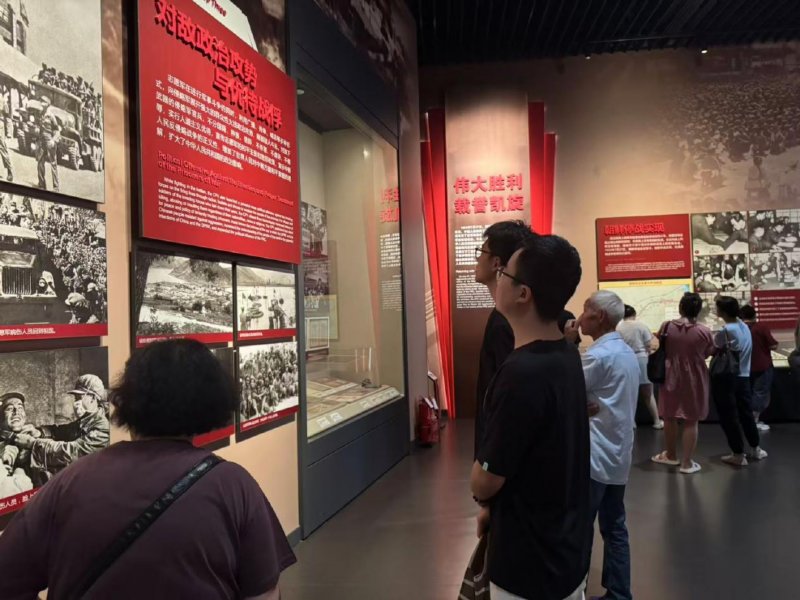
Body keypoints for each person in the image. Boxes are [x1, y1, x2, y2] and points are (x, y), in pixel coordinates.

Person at [0, 339, 296, 598]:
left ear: (127, 399)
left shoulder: (70, 481)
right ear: (211, 402)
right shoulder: (233, 485)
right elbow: (264, 592)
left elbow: (6, 579)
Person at [471, 234, 588, 600]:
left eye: (504, 272)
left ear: (523, 294)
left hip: (528, 565)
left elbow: (485, 481)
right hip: (565, 550)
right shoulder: (565, 355)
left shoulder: (521, 373)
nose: (497, 277)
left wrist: (480, 481)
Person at [566, 291, 638, 600]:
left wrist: (566, 345)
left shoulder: (597, 356)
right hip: (618, 455)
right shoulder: (626, 353)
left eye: (586, 311)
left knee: (579, 530)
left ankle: (575, 591)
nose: (580, 317)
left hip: (594, 455)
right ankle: (619, 592)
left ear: (601, 317)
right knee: (615, 526)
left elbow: (562, 389)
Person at [473, 220, 534, 457]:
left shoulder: (504, 322)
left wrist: (490, 462)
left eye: (481, 252)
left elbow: (508, 398)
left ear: (496, 262)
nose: (477, 260)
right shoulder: (511, 317)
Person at [650, 293, 715, 474]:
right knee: (691, 419)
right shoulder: (704, 331)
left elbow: (661, 345)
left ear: (680, 307)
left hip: (670, 374)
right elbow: (708, 352)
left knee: (669, 416)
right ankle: (687, 463)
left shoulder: (666, 326)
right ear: (699, 310)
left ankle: (671, 455)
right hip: (695, 377)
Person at [12, 375, 110, 485]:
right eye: (76, 398)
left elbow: (72, 452)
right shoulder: (85, 420)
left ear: (93, 398)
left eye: (79, 397)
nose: (76, 402)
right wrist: (39, 432)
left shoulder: (103, 426)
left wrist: (33, 443)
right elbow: (60, 431)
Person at [711, 296, 767, 467]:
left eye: (717, 307)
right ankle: (755, 448)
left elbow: (713, 348)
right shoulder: (743, 326)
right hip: (743, 377)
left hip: (727, 378)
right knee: (746, 414)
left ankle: (738, 453)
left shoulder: (726, 330)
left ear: (723, 311)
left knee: (729, 416)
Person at [616, 305, 663, 429]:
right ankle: (656, 421)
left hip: (626, 359)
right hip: (642, 359)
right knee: (648, 393)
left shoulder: (618, 327)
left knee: (629, 394)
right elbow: (649, 344)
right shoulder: (641, 325)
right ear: (634, 314)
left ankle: (632, 423)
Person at [740, 305, 778, 432]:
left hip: (744, 367)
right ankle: (754, 421)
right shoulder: (761, 327)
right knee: (760, 393)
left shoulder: (738, 328)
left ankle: (749, 420)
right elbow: (773, 345)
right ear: (754, 315)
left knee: (749, 393)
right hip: (762, 366)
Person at [37, 95, 60, 192]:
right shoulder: (41, 113)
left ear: (48, 104)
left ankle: (56, 187)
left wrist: (53, 140)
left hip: (50, 141)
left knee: (53, 164)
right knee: (40, 162)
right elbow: (41, 128)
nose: (41, 103)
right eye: (41, 101)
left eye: (44, 102)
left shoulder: (51, 116)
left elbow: (57, 130)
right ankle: (42, 184)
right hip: (42, 141)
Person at [0, 88, 12, 182]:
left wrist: (9, 132)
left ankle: (9, 171)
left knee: (3, 149)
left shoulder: (2, 100)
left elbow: (7, 117)